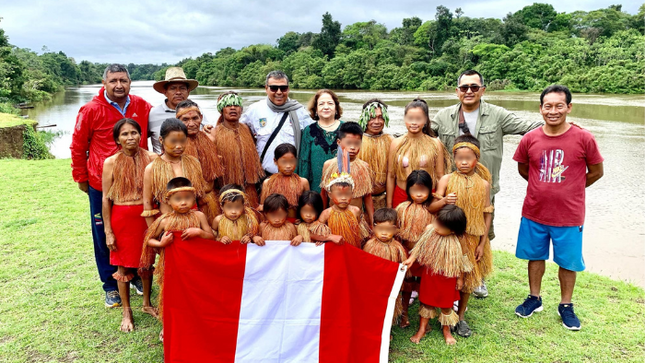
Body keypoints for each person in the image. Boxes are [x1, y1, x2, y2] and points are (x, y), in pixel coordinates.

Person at [432, 70, 544, 298]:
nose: (469, 91)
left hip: (483, 187)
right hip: (453, 187)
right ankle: (448, 272)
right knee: (447, 228)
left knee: (482, 230)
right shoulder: (444, 116)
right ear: (457, 92)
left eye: (474, 87)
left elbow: (528, 127)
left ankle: (477, 277)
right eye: (464, 88)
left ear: (483, 90)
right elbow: (421, 131)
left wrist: (559, 124)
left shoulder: (498, 115)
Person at [513, 85, 604, 331]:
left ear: (569, 107)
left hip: (569, 215)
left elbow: (596, 172)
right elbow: (524, 169)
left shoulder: (584, 137)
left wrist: (573, 187)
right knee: (535, 256)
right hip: (534, 211)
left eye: (559, 105)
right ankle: (534, 298)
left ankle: (565, 305)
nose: (553, 111)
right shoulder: (529, 138)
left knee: (568, 262)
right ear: (541, 108)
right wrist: (542, 186)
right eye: (548, 106)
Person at [70, 64, 151, 307]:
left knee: (135, 231)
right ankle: (110, 284)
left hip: (136, 183)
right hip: (101, 182)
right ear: (104, 83)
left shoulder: (141, 105)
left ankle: (134, 274)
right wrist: (82, 178)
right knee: (105, 234)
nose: (119, 85)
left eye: (123, 80)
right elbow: (77, 146)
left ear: (130, 82)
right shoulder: (90, 109)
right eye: (114, 80)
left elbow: (158, 131)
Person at [430, 134, 494, 338]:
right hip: (448, 238)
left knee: (467, 279)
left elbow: (486, 214)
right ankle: (444, 312)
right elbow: (432, 208)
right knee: (446, 276)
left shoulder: (483, 184)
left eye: (468, 158)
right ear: (453, 159)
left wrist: (482, 244)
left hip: (471, 239)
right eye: (459, 158)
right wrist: (444, 201)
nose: (463, 162)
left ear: (477, 158)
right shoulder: (446, 180)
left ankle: (461, 315)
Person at [139, 177, 215, 342]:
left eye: (187, 198)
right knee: (171, 295)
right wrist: (161, 243)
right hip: (172, 266)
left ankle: (195, 322)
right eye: (178, 199)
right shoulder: (165, 220)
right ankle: (167, 325)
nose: (183, 203)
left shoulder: (199, 216)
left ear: (194, 198)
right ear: (168, 200)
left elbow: (211, 237)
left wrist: (200, 233)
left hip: (196, 266)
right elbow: (148, 239)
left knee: (195, 294)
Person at [102, 119, 158, 332]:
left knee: (146, 263)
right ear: (117, 138)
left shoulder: (152, 158)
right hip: (122, 218)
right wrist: (108, 231)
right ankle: (127, 311)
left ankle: (146, 304)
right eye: (124, 134)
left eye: (134, 133)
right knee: (123, 266)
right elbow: (106, 199)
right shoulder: (111, 162)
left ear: (141, 135)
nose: (130, 137)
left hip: (146, 216)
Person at [403, 205, 468, 345]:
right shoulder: (429, 230)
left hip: (449, 277)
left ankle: (447, 331)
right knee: (427, 303)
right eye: (437, 221)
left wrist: (460, 278)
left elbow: (462, 261)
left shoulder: (459, 239)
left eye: (441, 226)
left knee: (446, 306)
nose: (436, 226)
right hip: (430, 274)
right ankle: (422, 329)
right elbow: (419, 247)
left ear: (453, 230)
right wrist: (411, 259)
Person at [142, 118, 218, 225]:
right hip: (167, 223)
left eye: (182, 141)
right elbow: (147, 204)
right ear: (161, 140)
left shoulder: (193, 163)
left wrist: (204, 224)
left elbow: (201, 198)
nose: (179, 146)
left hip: (193, 221)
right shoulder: (152, 168)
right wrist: (153, 233)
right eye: (173, 141)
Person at [241, 70, 313, 175]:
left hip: (293, 174)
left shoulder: (299, 111)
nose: (279, 92)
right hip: (264, 175)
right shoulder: (255, 110)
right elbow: (237, 129)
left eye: (283, 88)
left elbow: (314, 134)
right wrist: (210, 130)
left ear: (288, 89)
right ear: (266, 88)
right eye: (274, 88)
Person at [387, 98, 446, 209]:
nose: (414, 122)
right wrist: (389, 205)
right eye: (410, 118)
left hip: (427, 196)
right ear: (404, 119)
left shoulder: (435, 143)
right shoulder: (396, 143)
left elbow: (439, 176)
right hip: (401, 195)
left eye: (419, 119)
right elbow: (390, 176)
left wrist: (436, 200)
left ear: (426, 120)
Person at [395, 170, 435, 328]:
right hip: (407, 252)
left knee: (425, 286)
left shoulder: (432, 210)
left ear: (430, 189)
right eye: (414, 190)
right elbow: (396, 231)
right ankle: (403, 314)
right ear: (408, 190)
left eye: (423, 190)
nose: (419, 194)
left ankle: (424, 318)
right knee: (407, 284)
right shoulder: (402, 208)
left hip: (426, 255)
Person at [320, 123, 375, 238]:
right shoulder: (329, 165)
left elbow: (368, 197)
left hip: (356, 220)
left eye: (357, 143)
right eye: (348, 143)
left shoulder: (365, 167)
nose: (353, 147)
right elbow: (324, 194)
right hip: (333, 219)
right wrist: (321, 218)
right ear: (339, 142)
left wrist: (372, 222)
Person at [210, 92, 265, 207]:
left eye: (236, 105)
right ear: (221, 110)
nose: (233, 108)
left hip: (249, 188)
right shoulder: (214, 133)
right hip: (226, 190)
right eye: (228, 105)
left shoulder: (246, 128)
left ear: (241, 109)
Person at [363, 208, 408, 338]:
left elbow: (403, 268)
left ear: (395, 229)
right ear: (374, 227)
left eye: (388, 230)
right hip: (373, 285)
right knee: (373, 306)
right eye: (380, 229)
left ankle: (386, 330)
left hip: (390, 285)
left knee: (389, 306)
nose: (384, 233)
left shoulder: (398, 248)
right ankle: (373, 327)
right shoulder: (369, 245)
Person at [149, 67, 205, 154]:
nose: (178, 92)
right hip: (162, 165)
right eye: (173, 88)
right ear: (165, 92)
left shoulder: (196, 112)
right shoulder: (153, 114)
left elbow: (206, 132)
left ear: (188, 91)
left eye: (182, 88)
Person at [297, 89, 344, 193]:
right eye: (321, 104)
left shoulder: (346, 129)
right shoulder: (309, 131)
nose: (326, 107)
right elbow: (304, 162)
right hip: (315, 189)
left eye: (330, 103)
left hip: (342, 190)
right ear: (316, 109)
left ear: (336, 108)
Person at [175, 100, 224, 200]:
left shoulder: (210, 140)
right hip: (183, 199)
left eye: (195, 118)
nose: (191, 124)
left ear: (201, 118)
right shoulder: (174, 144)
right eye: (185, 119)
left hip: (209, 197)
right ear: (178, 121)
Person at [357, 99, 394, 210]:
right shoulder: (355, 141)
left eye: (381, 117)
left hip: (384, 199)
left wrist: (389, 205)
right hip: (360, 199)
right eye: (372, 117)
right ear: (364, 118)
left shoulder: (391, 142)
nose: (377, 122)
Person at [260, 143, 310, 221]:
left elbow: (308, 205)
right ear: (275, 161)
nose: (288, 166)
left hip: (296, 223)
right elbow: (263, 207)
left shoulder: (303, 182)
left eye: (292, 161)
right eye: (284, 162)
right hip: (275, 223)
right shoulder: (268, 183)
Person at [318, 171, 362, 248]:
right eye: (339, 194)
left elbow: (361, 233)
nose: (344, 198)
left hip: (353, 249)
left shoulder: (356, 211)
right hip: (334, 250)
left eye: (347, 194)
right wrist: (329, 237)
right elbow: (313, 234)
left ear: (352, 194)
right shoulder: (326, 213)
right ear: (330, 195)